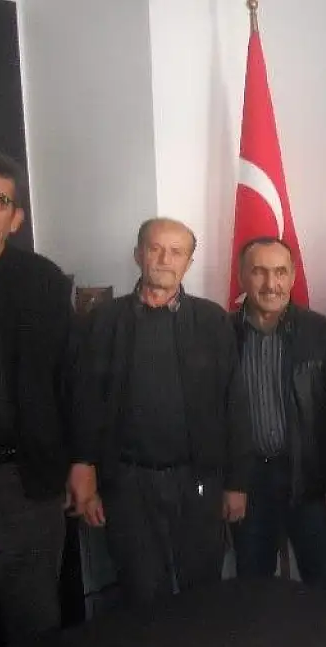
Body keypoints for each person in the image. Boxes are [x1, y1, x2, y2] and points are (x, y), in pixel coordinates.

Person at [68, 218, 250, 607]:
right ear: (138, 255)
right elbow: (86, 401)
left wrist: (237, 483)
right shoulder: (104, 320)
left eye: (176, 252)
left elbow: (233, 403)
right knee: (141, 591)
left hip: (198, 481)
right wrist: (85, 469)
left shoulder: (212, 320)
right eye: (155, 249)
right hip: (128, 483)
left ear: (188, 262)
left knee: (202, 588)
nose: (165, 259)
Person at [0, 149, 73, 644]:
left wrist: (80, 463)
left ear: (15, 219)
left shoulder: (44, 282)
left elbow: (69, 381)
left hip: (24, 480)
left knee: (33, 624)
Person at [232, 237, 326, 591]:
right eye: (259, 272)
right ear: (241, 276)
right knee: (253, 585)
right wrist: (228, 483)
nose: (271, 284)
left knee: (321, 583)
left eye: (280, 272)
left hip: (307, 480)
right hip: (248, 481)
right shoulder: (222, 334)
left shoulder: (322, 333)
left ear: (293, 276)